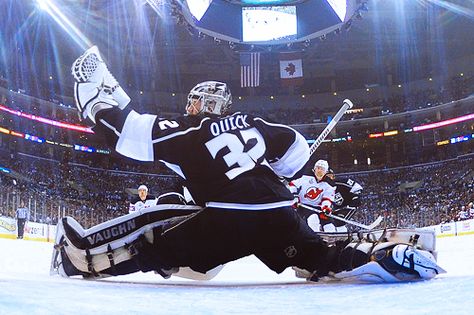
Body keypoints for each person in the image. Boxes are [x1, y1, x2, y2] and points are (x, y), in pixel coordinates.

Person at [50, 46, 445, 283]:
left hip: (228, 217)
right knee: (319, 260)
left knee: (156, 240)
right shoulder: (252, 123)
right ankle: (382, 258)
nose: (187, 108)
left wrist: (96, 101)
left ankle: (78, 260)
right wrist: (278, 176)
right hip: (277, 211)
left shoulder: (188, 131)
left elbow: (129, 133)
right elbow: (296, 148)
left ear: (205, 105)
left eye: (193, 103)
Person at [289, 160, 336, 232]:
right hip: (304, 206)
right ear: (314, 169)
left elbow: (327, 199)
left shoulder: (328, 184)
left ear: (326, 172)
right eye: (318, 168)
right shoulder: (305, 177)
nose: (319, 170)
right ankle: (314, 235)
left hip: (319, 208)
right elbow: (292, 184)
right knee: (313, 218)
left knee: (329, 224)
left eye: (322, 169)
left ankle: (331, 237)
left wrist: (326, 207)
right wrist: (295, 196)